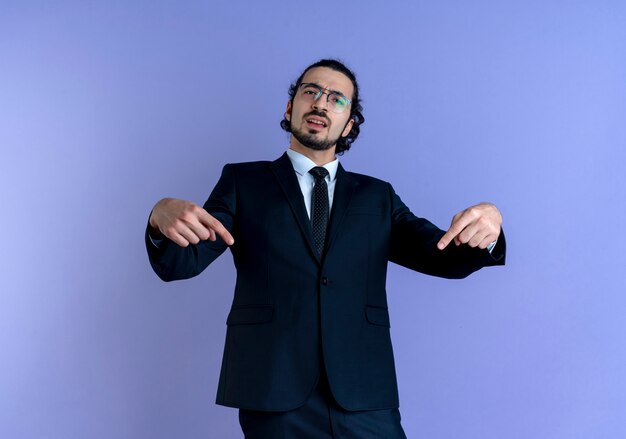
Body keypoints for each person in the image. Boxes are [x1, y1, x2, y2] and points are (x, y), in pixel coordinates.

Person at [145, 59, 505, 439]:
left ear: (349, 124)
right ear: (290, 108)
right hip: (273, 388)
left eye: (336, 99)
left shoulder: (377, 196)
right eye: (310, 91)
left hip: (363, 390)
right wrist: (158, 216)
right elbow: (180, 263)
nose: (320, 102)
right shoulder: (242, 182)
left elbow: (444, 255)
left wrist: (491, 226)